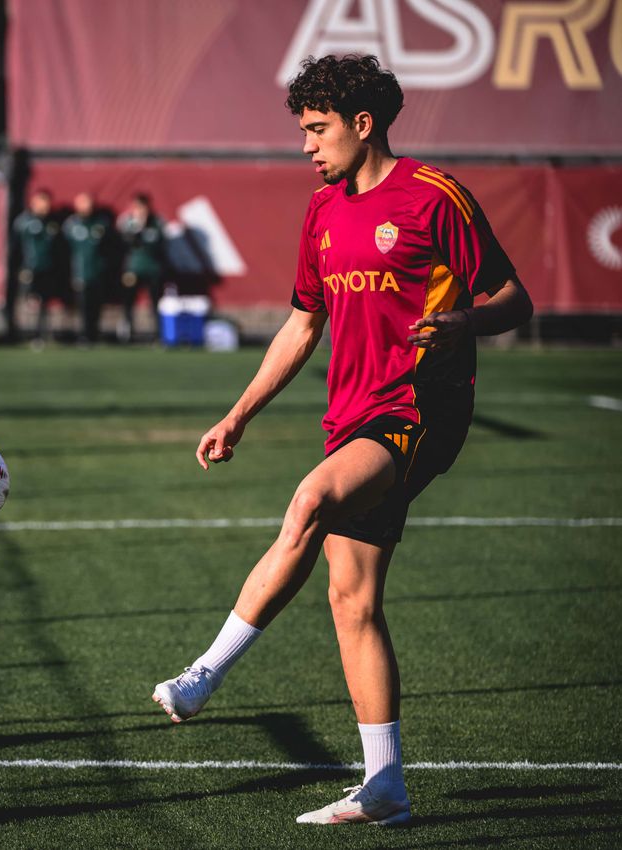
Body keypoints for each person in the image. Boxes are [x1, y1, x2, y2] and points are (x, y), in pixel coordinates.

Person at [150, 54, 533, 826]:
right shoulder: (323, 211)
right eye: (303, 131)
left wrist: (465, 321)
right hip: (354, 413)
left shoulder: (433, 197)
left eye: (318, 130)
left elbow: (512, 296)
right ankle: (385, 785)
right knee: (351, 599)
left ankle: (203, 675)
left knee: (311, 497)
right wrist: (239, 413)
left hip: (423, 406)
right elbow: (302, 325)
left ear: (364, 125)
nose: (307, 146)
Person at [11, 189, 63, 344]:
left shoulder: (52, 222)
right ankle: (26, 334)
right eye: (42, 202)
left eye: (47, 202)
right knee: (30, 301)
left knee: (44, 302)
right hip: (30, 268)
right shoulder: (24, 221)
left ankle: (41, 334)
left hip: (47, 268)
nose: (45, 206)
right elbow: (16, 247)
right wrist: (21, 268)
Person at [62, 192, 115, 343]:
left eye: (88, 203)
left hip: (97, 271)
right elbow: (65, 250)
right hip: (80, 271)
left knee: (97, 304)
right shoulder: (71, 225)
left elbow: (110, 248)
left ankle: (94, 333)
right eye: (83, 203)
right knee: (82, 305)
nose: (86, 207)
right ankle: (84, 335)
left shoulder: (101, 224)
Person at [117, 193, 168, 341]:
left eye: (142, 207)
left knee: (155, 302)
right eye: (136, 207)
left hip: (152, 268)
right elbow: (124, 244)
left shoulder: (157, 222)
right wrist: (137, 229)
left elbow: (159, 244)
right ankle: (128, 333)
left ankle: (159, 334)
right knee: (128, 301)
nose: (139, 210)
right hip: (133, 268)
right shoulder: (127, 222)